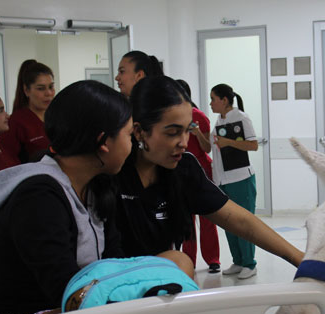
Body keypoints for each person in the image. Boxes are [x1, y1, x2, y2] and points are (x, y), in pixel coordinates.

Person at [114, 76, 302, 277]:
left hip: (158, 282)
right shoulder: (113, 173)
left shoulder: (184, 169)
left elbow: (241, 221)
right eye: (173, 133)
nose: (184, 142)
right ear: (140, 132)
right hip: (112, 288)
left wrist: (300, 258)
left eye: (186, 131)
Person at [0, 81, 134, 314]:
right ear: (103, 142)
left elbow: (114, 260)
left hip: (75, 309)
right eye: (129, 135)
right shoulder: (38, 196)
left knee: (174, 262)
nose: (132, 146)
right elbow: (62, 288)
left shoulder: (96, 185)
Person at [209, 83, 261, 279]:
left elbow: (253, 145)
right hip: (222, 179)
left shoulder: (241, 117)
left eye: (213, 99)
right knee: (228, 223)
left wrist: (228, 142)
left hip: (241, 179)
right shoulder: (218, 121)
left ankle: (250, 263)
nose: (211, 103)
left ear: (224, 100)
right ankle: (238, 261)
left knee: (244, 222)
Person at [175, 78, 221, 273]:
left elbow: (207, 148)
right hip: (179, 172)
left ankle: (213, 259)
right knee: (186, 219)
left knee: (207, 217)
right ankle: (189, 260)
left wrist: (196, 133)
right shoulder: (173, 117)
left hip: (202, 171)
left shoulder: (198, 116)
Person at [0, 60, 55, 162]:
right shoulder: (16, 122)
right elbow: (7, 163)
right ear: (26, 90)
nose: (49, 93)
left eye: (51, 87)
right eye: (41, 88)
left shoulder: (58, 117)